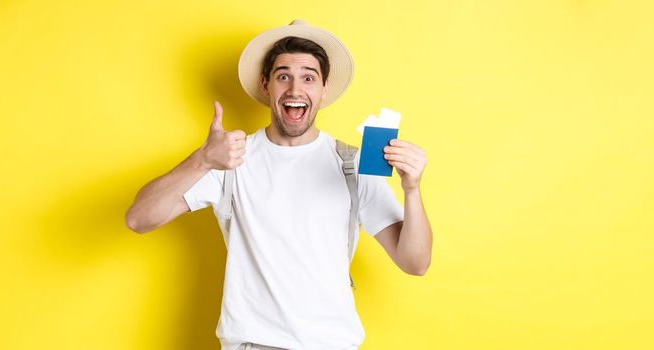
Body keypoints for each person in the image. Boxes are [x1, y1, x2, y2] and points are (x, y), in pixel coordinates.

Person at [125, 19, 433, 350]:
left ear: (324, 89)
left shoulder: (351, 164)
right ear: (265, 86)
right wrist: (201, 160)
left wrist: (412, 189)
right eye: (283, 76)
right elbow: (138, 219)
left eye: (308, 78)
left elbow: (415, 263)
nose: (295, 90)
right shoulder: (229, 160)